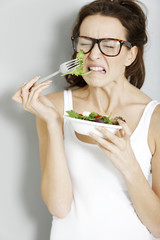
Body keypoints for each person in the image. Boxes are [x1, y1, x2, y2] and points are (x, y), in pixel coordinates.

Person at [12, 0, 160, 239]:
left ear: (131, 54)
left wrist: (129, 165)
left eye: (109, 46)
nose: (93, 55)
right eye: (85, 43)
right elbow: (59, 207)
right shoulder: (53, 107)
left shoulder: (155, 119)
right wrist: (52, 122)